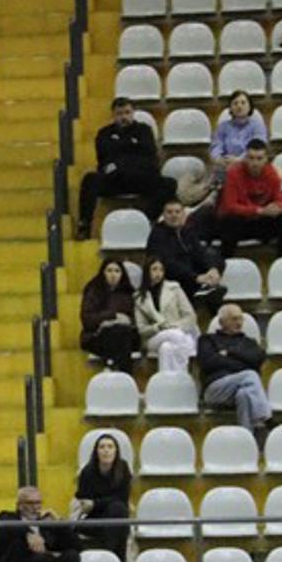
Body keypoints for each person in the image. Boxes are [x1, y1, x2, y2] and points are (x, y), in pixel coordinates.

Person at [76, 96, 171, 235]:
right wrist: (132, 148)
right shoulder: (104, 134)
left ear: (133, 113)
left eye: (127, 112)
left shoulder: (144, 130)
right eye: (119, 114)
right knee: (90, 180)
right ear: (113, 115)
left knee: (169, 184)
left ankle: (147, 219)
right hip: (115, 180)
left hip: (140, 178)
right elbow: (104, 159)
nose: (123, 117)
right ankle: (84, 225)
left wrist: (120, 155)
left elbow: (149, 156)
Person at [197, 303, 271, 437]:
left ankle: (246, 438)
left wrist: (229, 353)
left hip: (241, 388)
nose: (239, 323)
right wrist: (242, 362)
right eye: (234, 319)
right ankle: (266, 417)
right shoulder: (207, 340)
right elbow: (208, 363)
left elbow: (257, 360)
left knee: (244, 394)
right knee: (250, 375)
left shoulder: (249, 342)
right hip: (215, 389)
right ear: (222, 322)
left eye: (241, 319)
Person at [215, 140, 282, 257]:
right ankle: (226, 262)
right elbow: (230, 206)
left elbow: (280, 200)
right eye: (251, 158)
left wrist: (277, 208)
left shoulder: (272, 173)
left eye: (259, 158)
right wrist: (259, 210)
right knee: (230, 222)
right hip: (240, 221)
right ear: (245, 159)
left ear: (266, 159)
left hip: (260, 221)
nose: (255, 163)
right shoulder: (233, 173)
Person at [146, 200, 225, 311]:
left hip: (193, 278)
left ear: (183, 214)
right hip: (173, 280)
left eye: (177, 212)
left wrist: (213, 269)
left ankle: (208, 290)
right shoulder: (157, 235)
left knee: (213, 255)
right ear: (163, 215)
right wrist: (195, 278)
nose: (174, 215)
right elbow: (168, 263)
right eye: (169, 212)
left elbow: (200, 254)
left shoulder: (188, 231)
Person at [133, 256, 201, 374]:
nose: (158, 273)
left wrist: (176, 325)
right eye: (154, 269)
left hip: (178, 331)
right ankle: (183, 377)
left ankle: (166, 380)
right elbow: (142, 329)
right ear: (147, 271)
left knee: (166, 348)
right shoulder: (139, 297)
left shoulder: (174, 288)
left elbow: (190, 316)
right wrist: (157, 327)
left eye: (161, 270)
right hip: (154, 337)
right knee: (176, 335)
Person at [70, 435, 133, 559]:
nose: (106, 450)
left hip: (116, 516)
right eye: (102, 447)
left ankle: (108, 556)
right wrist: (97, 504)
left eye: (110, 447)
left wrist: (95, 503)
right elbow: (84, 500)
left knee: (118, 510)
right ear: (96, 451)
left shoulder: (123, 468)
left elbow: (122, 498)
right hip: (94, 519)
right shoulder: (87, 472)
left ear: (116, 451)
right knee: (118, 517)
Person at [78, 259, 140, 372]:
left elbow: (136, 319)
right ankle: (124, 374)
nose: (113, 275)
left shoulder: (128, 293)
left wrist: (126, 321)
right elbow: (87, 319)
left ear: (122, 274)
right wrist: (112, 316)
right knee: (115, 334)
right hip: (96, 335)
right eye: (109, 271)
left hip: (125, 334)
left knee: (121, 333)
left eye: (117, 271)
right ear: (103, 273)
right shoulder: (93, 290)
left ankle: (113, 368)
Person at [208, 90, 266, 182]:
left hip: (250, 166)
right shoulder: (223, 127)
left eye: (243, 103)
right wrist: (219, 159)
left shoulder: (257, 126)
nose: (239, 106)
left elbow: (258, 149)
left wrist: (239, 160)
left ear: (250, 107)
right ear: (230, 108)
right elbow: (216, 146)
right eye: (235, 103)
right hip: (226, 167)